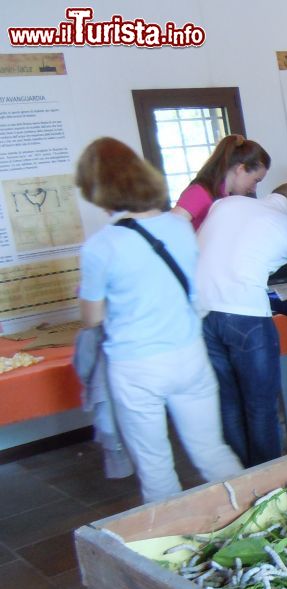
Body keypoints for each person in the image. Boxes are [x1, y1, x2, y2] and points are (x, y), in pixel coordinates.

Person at [75, 137, 242, 503]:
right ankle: (259, 519)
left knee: (156, 470)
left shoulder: (99, 247)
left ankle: (175, 550)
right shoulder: (179, 228)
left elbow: (92, 318)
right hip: (189, 353)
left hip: (136, 366)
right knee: (212, 452)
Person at [196, 183, 287, 467]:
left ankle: (239, 474)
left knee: (228, 401)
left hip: (201, 314)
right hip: (246, 316)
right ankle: (266, 476)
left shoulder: (226, 204)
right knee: (261, 405)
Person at [172, 134, 271, 230]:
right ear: (241, 169)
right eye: (255, 181)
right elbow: (169, 230)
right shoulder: (200, 192)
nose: (254, 189)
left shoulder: (227, 198)